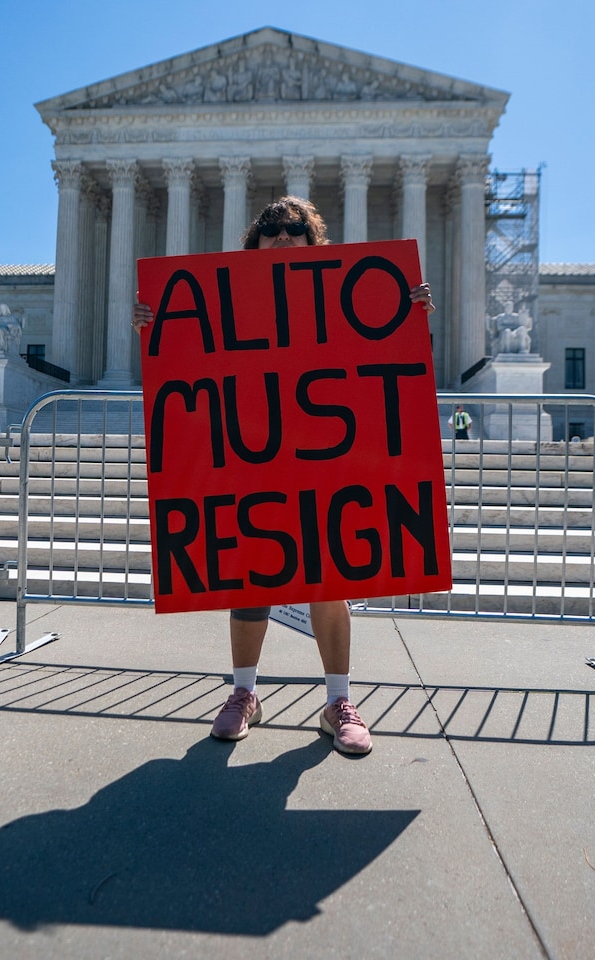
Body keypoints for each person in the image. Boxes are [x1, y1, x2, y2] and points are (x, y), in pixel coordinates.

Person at [132, 196, 435, 755]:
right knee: (251, 577)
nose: (282, 237)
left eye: (294, 228)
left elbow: (370, 359)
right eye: (270, 229)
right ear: (254, 242)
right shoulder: (228, 302)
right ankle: (243, 692)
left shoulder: (340, 297)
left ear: (313, 240)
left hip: (324, 451)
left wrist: (404, 311)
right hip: (253, 452)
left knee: (329, 577)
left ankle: (338, 702)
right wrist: (159, 327)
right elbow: (199, 362)